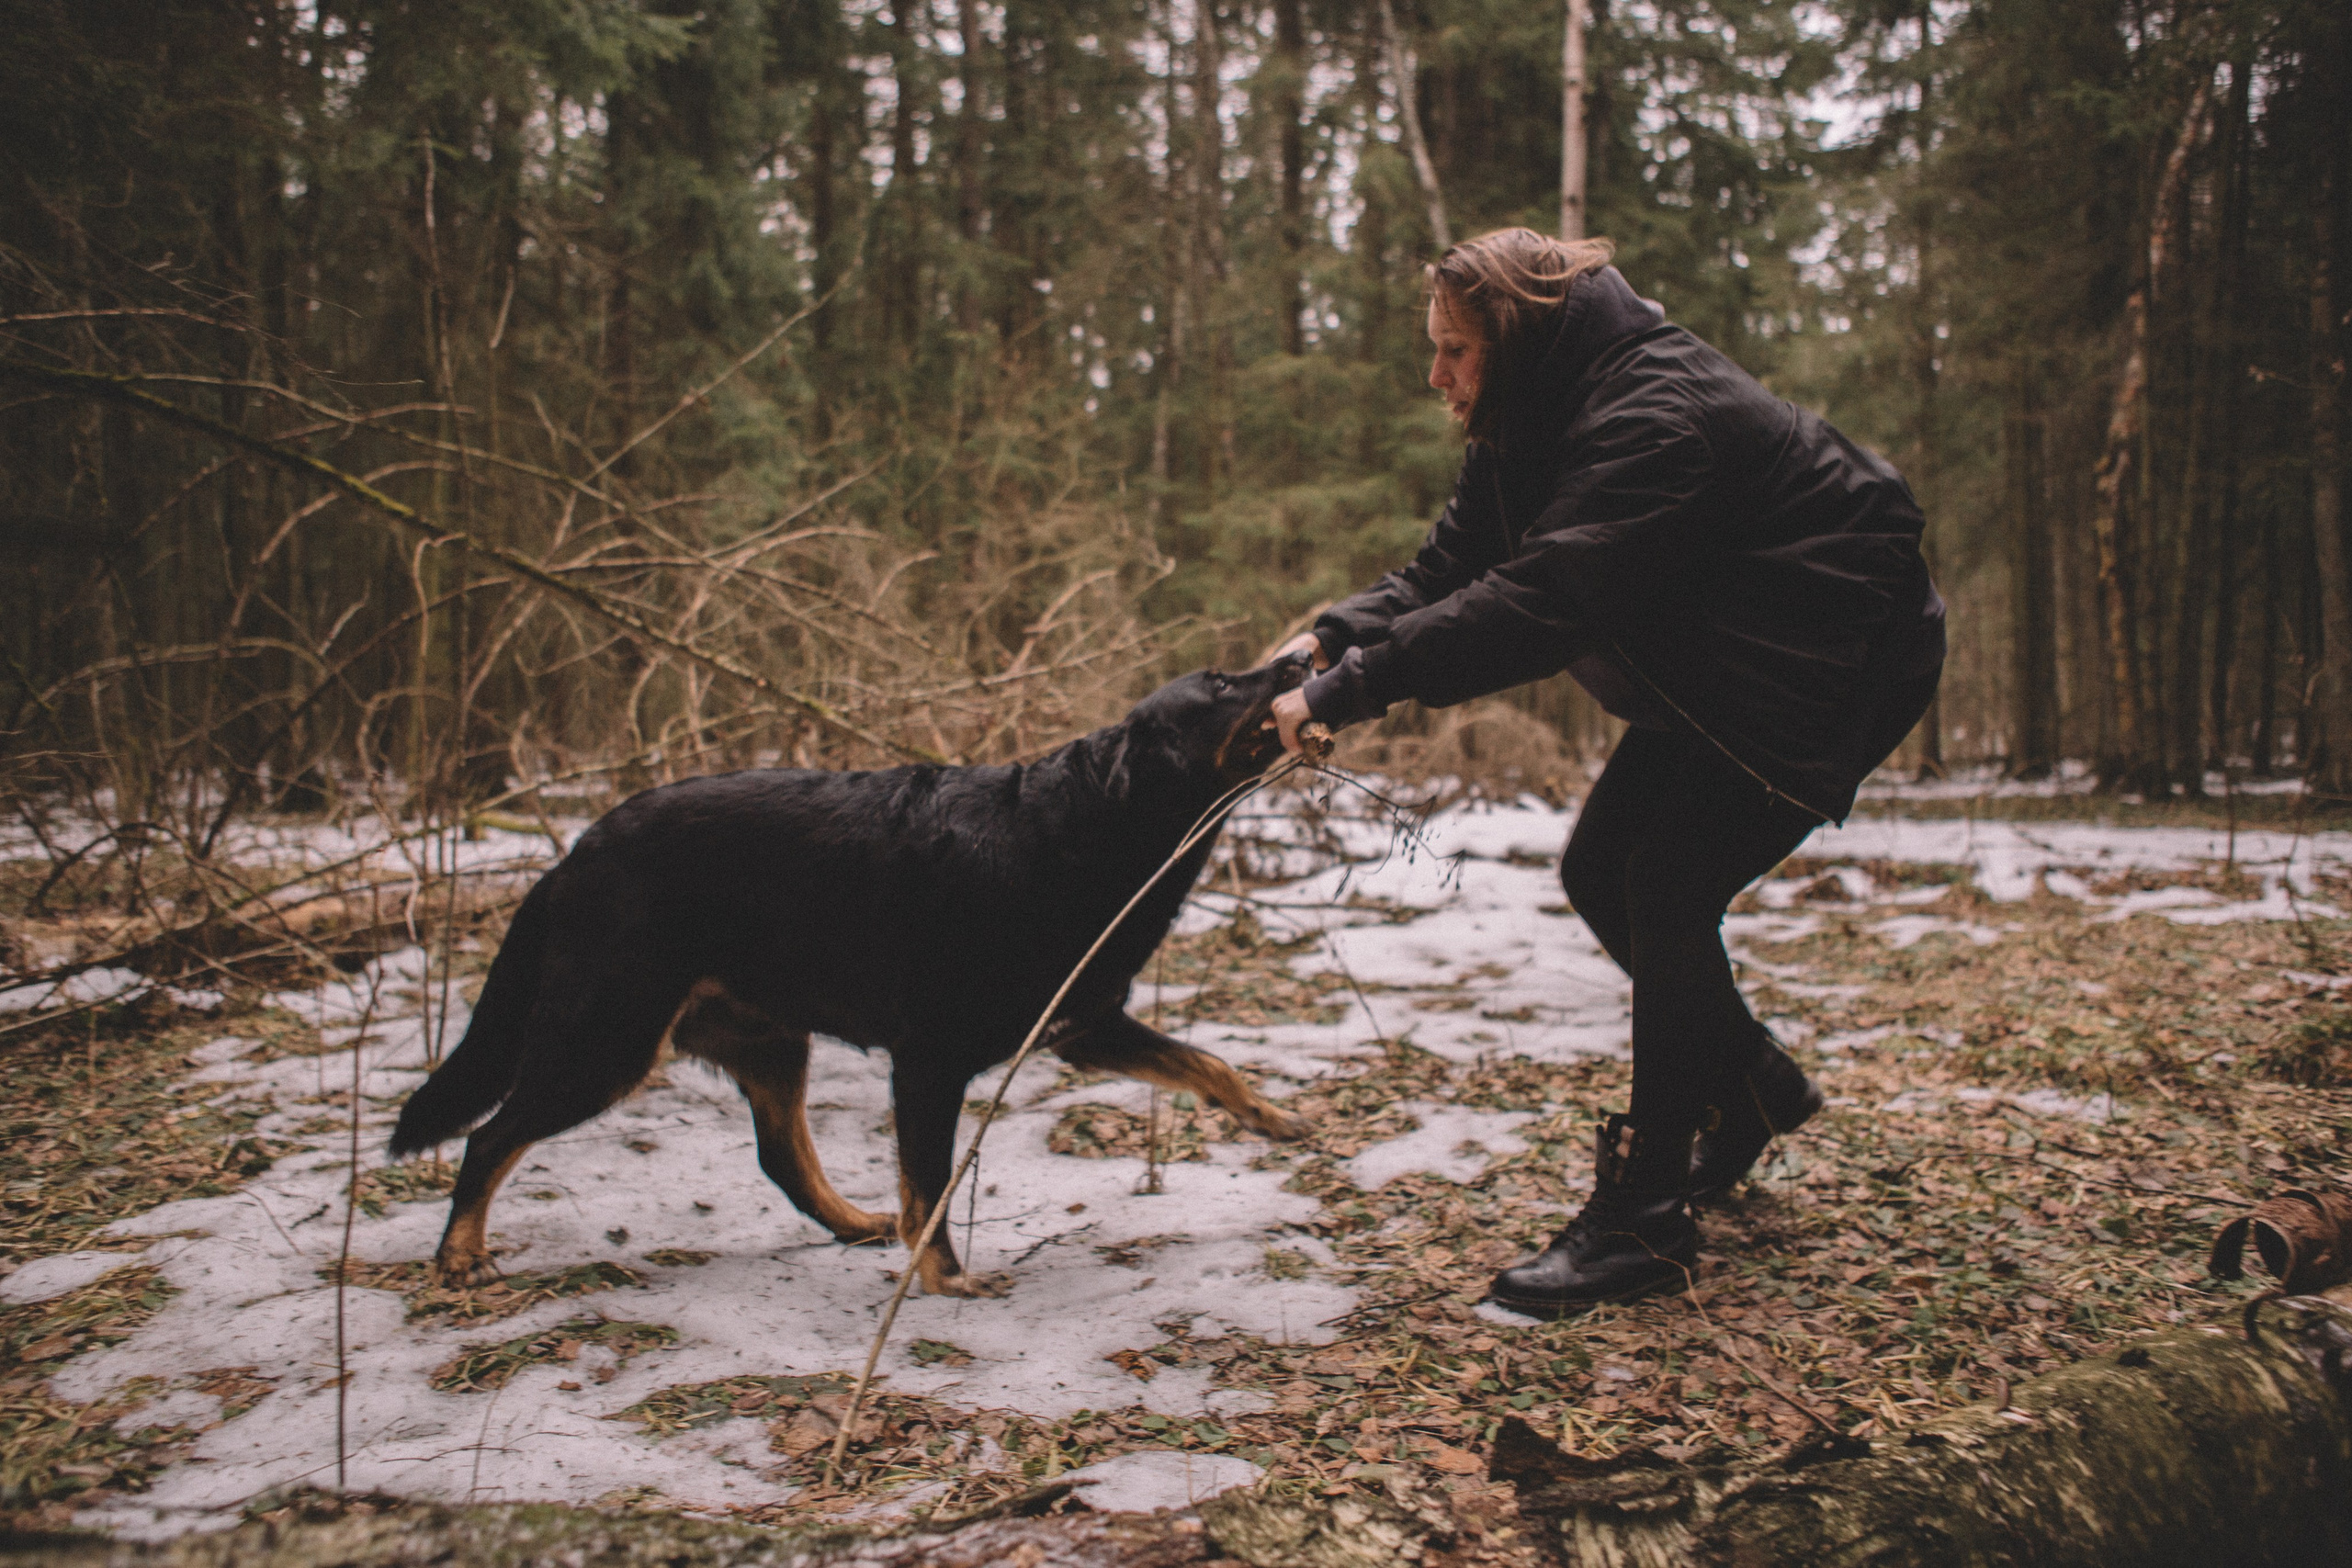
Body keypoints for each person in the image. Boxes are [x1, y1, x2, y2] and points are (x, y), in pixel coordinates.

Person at [1265, 228, 1943, 1317]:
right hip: (1721, 656)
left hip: (1826, 660)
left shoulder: (1654, 419)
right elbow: (1453, 566)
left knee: (1665, 885)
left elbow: (1538, 602)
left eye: (1453, 350)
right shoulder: (1527, 409)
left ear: (1515, 339)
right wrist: (1326, 641)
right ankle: (1748, 1084)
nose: (1434, 374)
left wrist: (1353, 690)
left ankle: (1643, 1219)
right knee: (1599, 871)